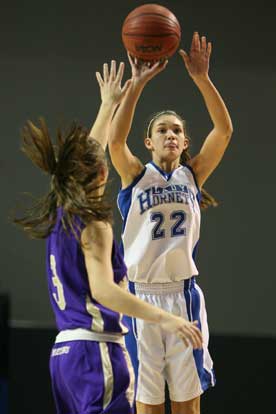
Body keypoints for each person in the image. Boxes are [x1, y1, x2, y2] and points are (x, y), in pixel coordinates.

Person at [13, 60, 203, 414]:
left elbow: (89, 154)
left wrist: (107, 104)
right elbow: (103, 290)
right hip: (95, 351)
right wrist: (164, 317)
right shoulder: (94, 223)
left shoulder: (61, 212)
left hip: (63, 356)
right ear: (102, 172)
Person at [108, 32, 233, 414]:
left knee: (187, 406)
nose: (170, 134)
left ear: (184, 140)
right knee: (146, 405)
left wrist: (202, 79)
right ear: (149, 141)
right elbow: (115, 139)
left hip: (183, 297)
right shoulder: (134, 175)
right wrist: (138, 84)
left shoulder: (192, 176)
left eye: (177, 130)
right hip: (140, 298)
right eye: (162, 129)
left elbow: (224, 131)